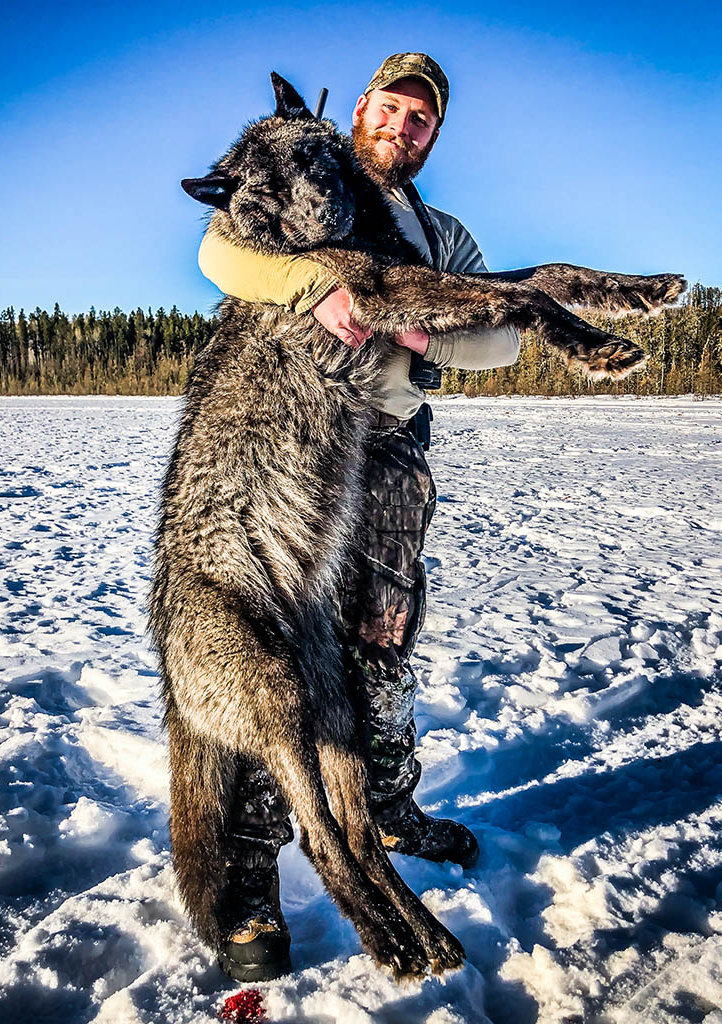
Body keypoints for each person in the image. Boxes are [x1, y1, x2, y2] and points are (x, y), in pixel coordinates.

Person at [199, 53, 521, 982]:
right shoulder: (311, 178)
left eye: (424, 119)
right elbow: (221, 251)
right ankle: (249, 877)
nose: (404, 126)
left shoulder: (440, 230)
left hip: (388, 445)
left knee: (383, 640)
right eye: (392, 107)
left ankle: (387, 807)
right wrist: (318, 288)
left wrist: (420, 332)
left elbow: (498, 334)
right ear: (362, 109)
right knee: (279, 647)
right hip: (290, 441)